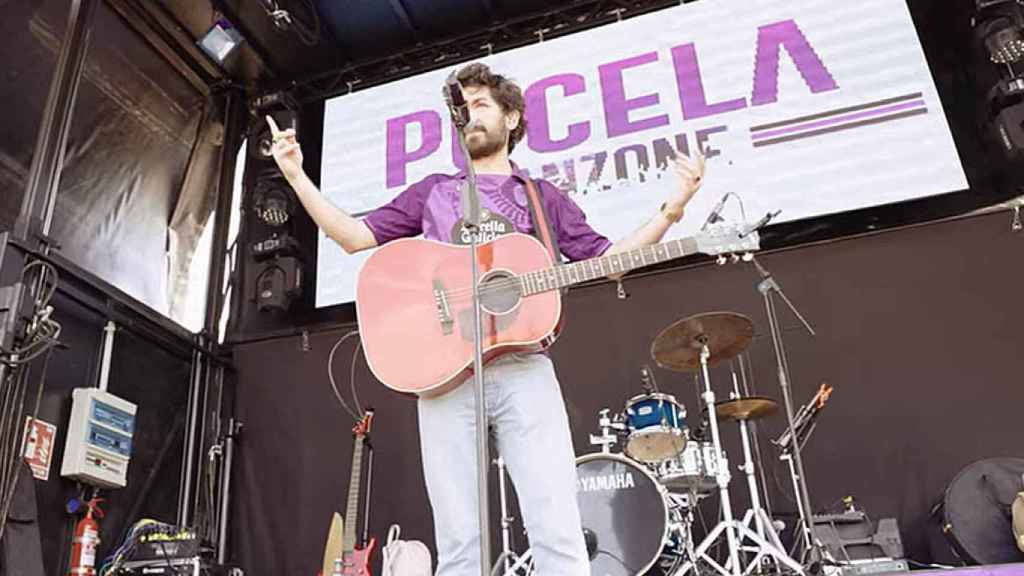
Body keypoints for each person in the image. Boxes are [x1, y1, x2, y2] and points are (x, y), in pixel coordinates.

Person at [267, 62, 705, 576]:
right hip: (444, 376)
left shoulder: (544, 199)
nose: (469, 116)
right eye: (463, 108)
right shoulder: (434, 191)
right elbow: (352, 238)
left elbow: (610, 261)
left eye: (480, 105)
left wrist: (672, 210)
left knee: (558, 528)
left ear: (512, 117)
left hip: (524, 369)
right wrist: (295, 175)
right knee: (458, 543)